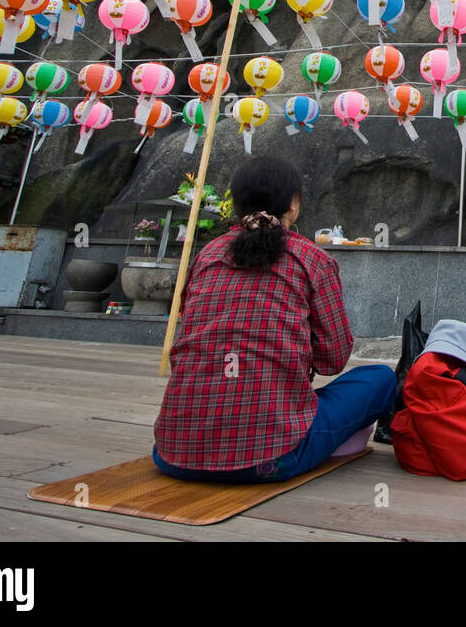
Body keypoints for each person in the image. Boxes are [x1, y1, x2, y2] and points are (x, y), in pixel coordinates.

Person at [152, 156, 395, 483]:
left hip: (173, 452)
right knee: (380, 378)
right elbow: (333, 360)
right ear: (293, 205)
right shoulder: (312, 258)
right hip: (274, 455)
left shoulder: (206, 256)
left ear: (236, 204)